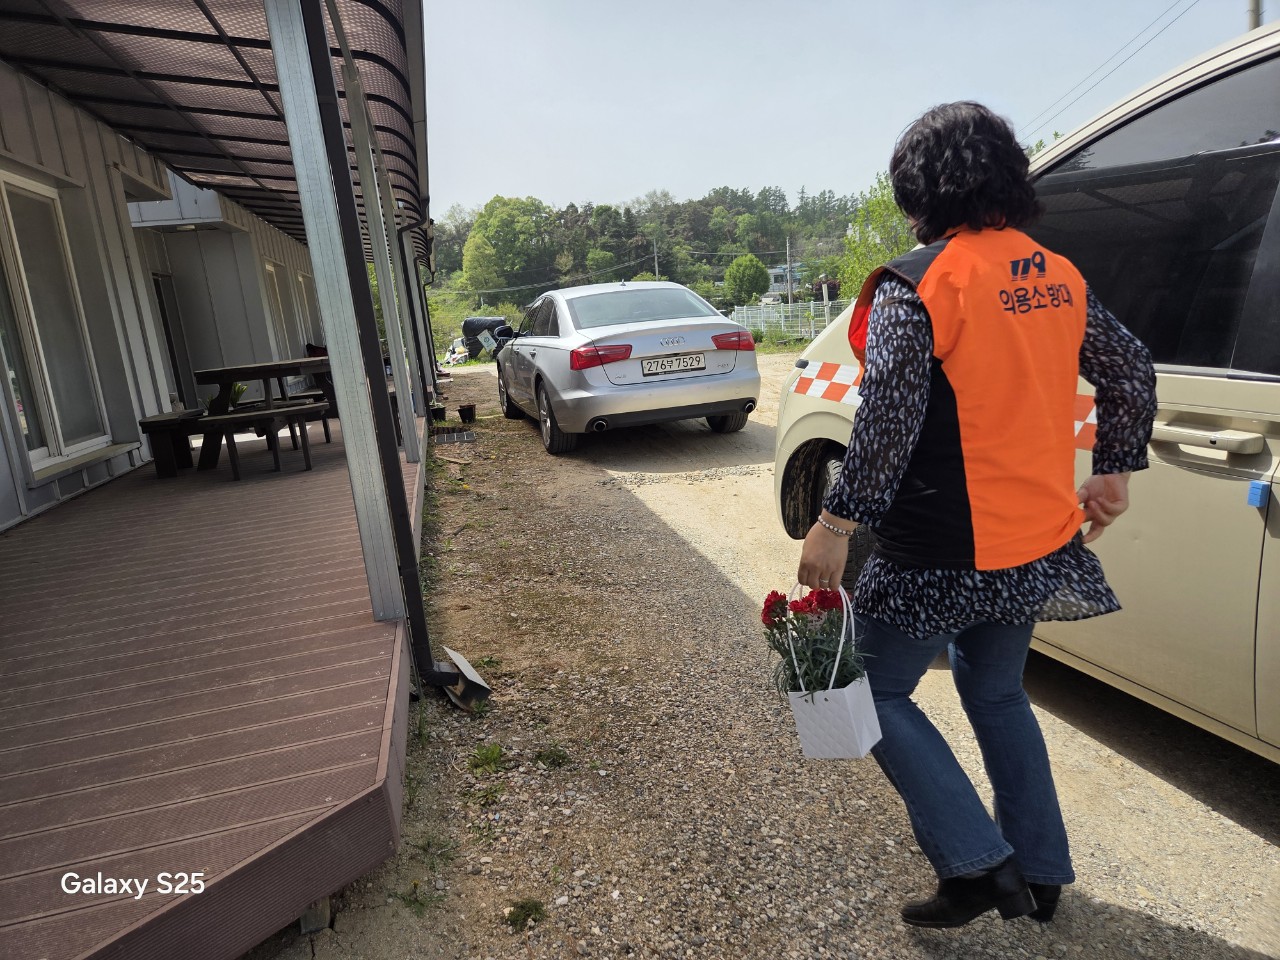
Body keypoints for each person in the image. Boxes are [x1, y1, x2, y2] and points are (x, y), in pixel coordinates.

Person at [797, 101, 1156, 929]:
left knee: (866, 690)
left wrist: (837, 523)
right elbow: (1130, 369)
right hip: (1036, 541)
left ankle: (977, 863)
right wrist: (1112, 471)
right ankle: (1041, 871)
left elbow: (887, 416)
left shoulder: (922, 282)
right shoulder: (1056, 274)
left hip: (939, 547)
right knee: (996, 693)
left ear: (918, 191)